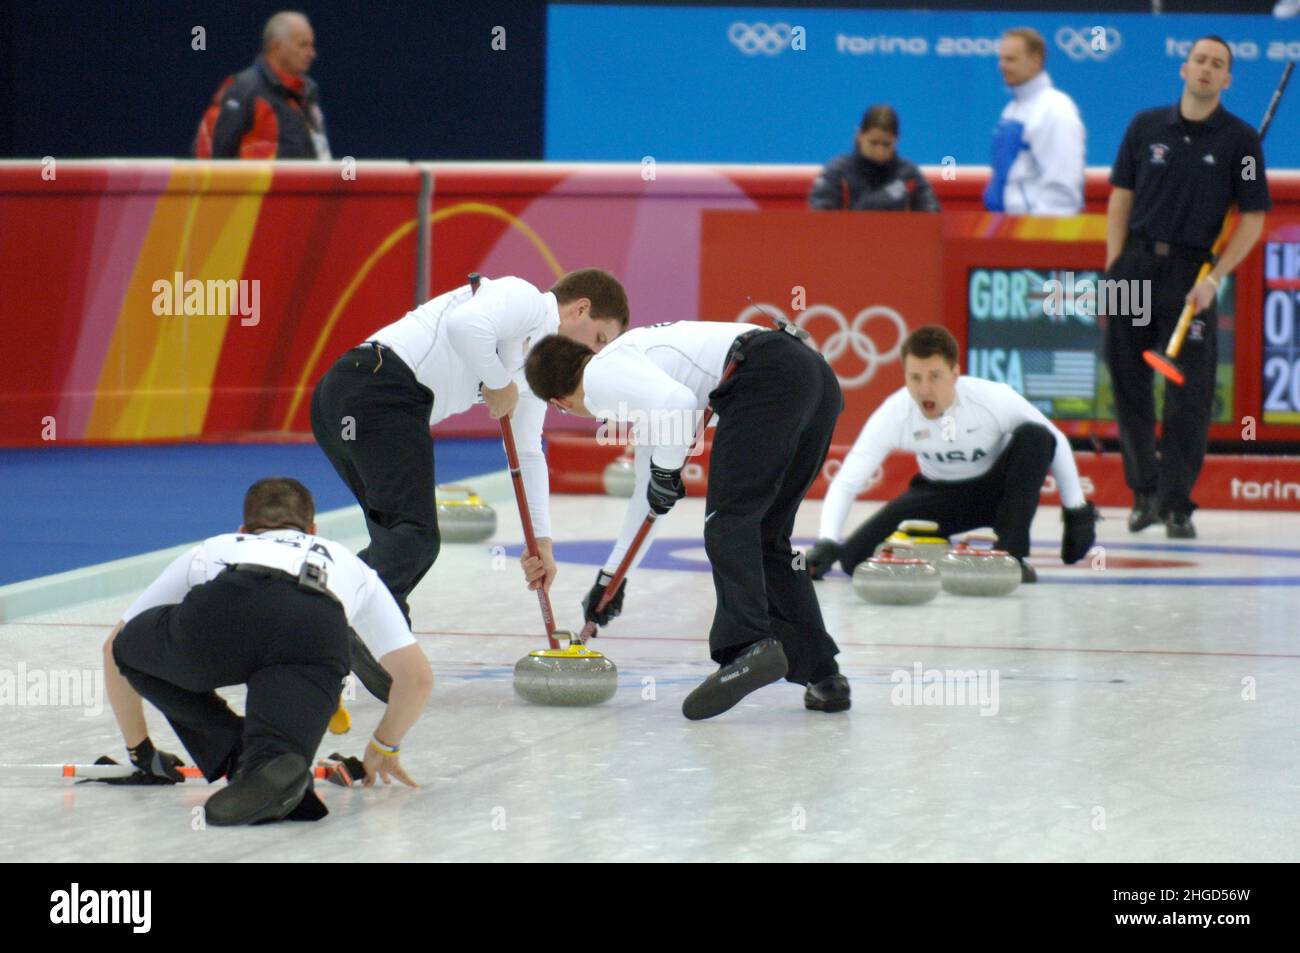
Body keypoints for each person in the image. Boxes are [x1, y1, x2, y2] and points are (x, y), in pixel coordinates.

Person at [310, 269, 629, 697]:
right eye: (600, 340)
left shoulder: (535, 368)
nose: (595, 354)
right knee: (415, 538)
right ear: (580, 309)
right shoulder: (528, 300)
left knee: (399, 539)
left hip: (354, 399)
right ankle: (330, 611)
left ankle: (372, 628)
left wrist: (542, 543)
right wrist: (498, 383)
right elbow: (466, 325)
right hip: (378, 388)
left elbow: (528, 452)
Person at [523, 321, 847, 720]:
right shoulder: (637, 377)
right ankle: (823, 675)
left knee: (727, 522)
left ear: (560, 402)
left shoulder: (601, 375)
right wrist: (612, 578)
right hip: (815, 377)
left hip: (767, 373)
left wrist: (666, 472)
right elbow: (649, 500)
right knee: (766, 538)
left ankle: (748, 645)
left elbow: (676, 405)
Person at [101, 477, 432, 826]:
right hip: (313, 625)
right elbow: (417, 679)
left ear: (244, 528)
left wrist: (143, 754)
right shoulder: (350, 564)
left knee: (130, 646)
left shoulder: (220, 545)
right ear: (313, 530)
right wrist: (384, 745)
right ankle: (269, 763)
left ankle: (235, 752)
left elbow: (111, 648)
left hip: (227, 607)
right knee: (278, 754)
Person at [1104, 36, 1270, 539]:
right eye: (1200, 59)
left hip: (1193, 276)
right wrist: (1114, 268)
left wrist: (1216, 278)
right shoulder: (1144, 126)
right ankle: (1143, 493)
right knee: (1126, 380)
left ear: (1228, 80)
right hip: (1133, 265)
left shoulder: (1242, 143)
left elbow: (1254, 218)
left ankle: (1177, 503)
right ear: (1183, 67)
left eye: (1218, 64)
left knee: (1189, 395)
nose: (1206, 69)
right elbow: (1120, 198)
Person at [806, 326, 1096, 580]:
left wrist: (1077, 512)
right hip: (936, 496)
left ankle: (1011, 558)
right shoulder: (894, 413)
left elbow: (1054, 438)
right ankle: (927, 540)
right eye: (915, 378)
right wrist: (828, 540)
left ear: (955, 373)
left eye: (935, 376)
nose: (924, 389)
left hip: (1002, 494)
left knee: (1036, 436)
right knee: (852, 560)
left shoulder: (992, 398)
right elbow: (847, 481)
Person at [193, 11, 331, 160]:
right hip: (263, 183)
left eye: (312, 45)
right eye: (303, 45)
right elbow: (212, 152)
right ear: (276, 47)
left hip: (311, 183)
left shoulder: (308, 90)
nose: (312, 53)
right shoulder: (244, 89)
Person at [984, 27, 1085, 216]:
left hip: (1035, 234)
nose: (1001, 66)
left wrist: (1038, 237)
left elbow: (1062, 188)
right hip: (1005, 228)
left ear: (1035, 61)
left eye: (1010, 59)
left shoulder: (1055, 110)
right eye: (1001, 58)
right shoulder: (1012, 109)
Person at [809, 104, 940, 212]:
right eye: (873, 143)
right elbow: (822, 222)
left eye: (886, 144)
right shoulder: (837, 173)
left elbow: (932, 218)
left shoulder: (909, 176)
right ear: (859, 135)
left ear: (897, 140)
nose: (879, 151)